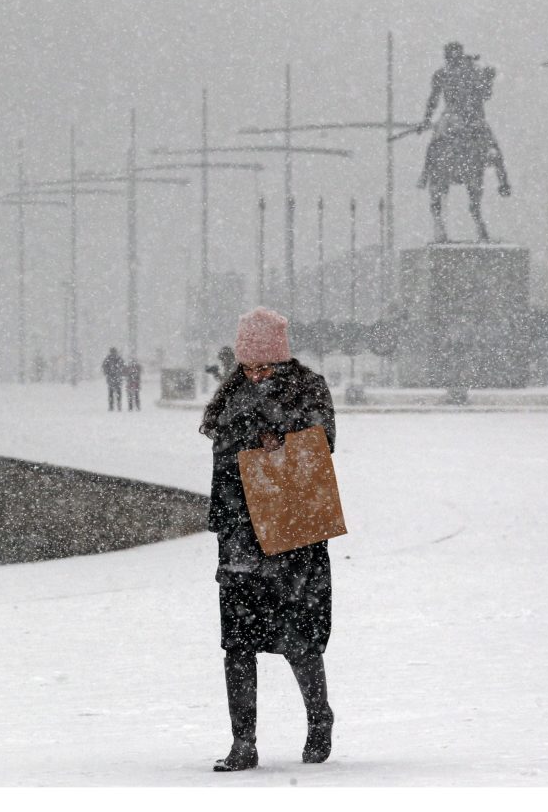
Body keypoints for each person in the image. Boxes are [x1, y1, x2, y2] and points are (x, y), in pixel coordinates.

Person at [199, 307, 337, 772]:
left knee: (298, 636)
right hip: (239, 529)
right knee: (237, 640)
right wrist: (250, 436)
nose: (256, 374)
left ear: (280, 360)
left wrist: (282, 437)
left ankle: (319, 718)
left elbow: (323, 442)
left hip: (290, 532)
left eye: (265, 366)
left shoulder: (307, 387)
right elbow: (220, 443)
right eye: (250, 365)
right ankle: (244, 743)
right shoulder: (230, 392)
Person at [416, 41, 511, 243]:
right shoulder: (468, 71)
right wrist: (487, 78)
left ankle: (426, 175)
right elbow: (486, 94)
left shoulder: (446, 73)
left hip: (453, 117)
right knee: (493, 150)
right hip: (470, 118)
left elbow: (433, 101)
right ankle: (503, 181)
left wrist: (426, 120)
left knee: (434, 145)